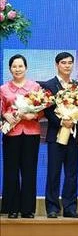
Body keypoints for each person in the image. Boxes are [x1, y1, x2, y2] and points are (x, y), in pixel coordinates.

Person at [41, 52, 78, 218]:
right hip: (56, 135)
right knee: (54, 172)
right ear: (57, 65)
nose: (67, 66)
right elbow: (47, 110)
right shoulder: (49, 85)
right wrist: (61, 122)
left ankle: (70, 208)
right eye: (63, 63)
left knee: (72, 173)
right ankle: (52, 208)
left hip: (73, 135)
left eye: (69, 63)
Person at [1, 54, 43, 218]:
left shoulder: (35, 87)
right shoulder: (3, 89)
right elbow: (2, 110)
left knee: (29, 171)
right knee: (11, 171)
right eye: (14, 66)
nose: (17, 69)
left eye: (20, 66)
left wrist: (34, 116)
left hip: (31, 133)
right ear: (10, 69)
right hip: (11, 133)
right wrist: (5, 116)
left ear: (26, 68)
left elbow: (42, 109)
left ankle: (27, 209)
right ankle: (12, 208)